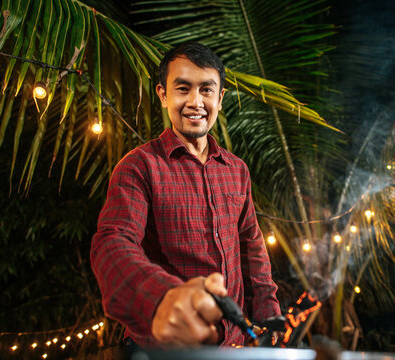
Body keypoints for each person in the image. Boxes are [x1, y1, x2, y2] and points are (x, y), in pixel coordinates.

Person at [90, 42, 281, 348]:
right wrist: (160, 297)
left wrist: (269, 317)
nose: (196, 102)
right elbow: (113, 242)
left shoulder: (237, 170)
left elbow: (251, 245)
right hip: (162, 348)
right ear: (163, 95)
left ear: (220, 98)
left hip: (233, 346)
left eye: (206, 90)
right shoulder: (139, 167)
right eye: (183, 88)